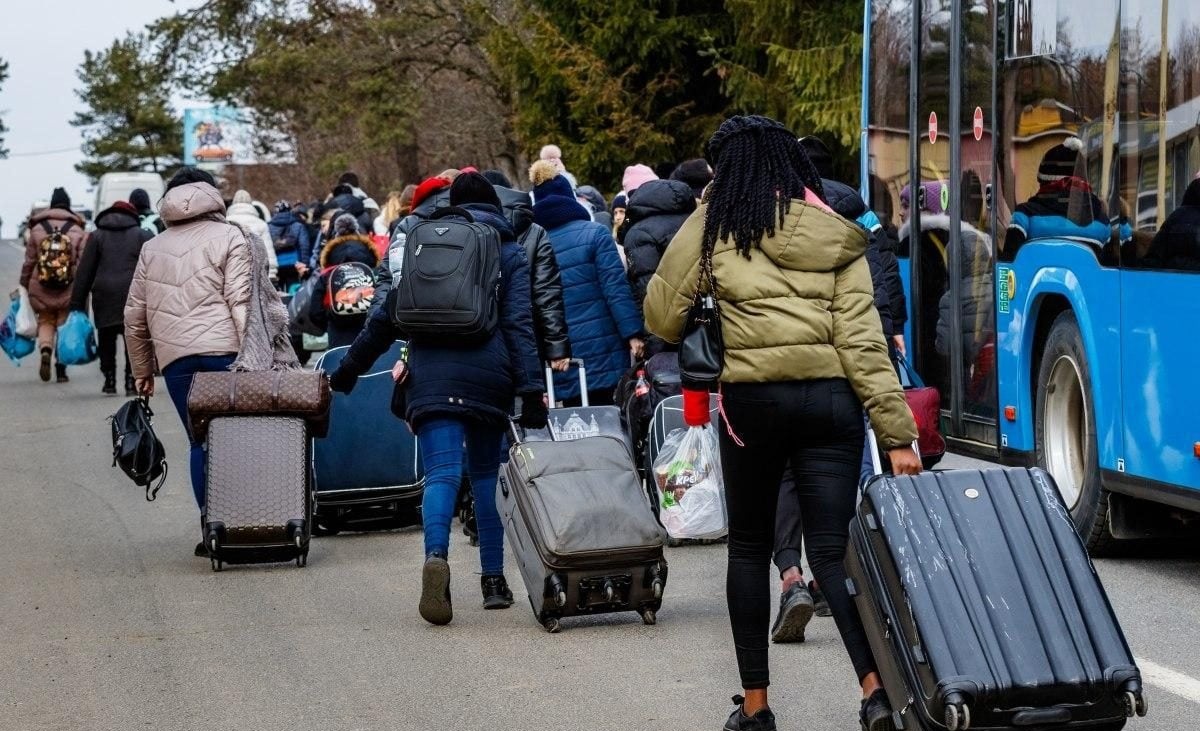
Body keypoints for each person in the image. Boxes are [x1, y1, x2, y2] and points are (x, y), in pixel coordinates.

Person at [644, 115, 921, 731]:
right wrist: (896, 433)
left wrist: (704, 215)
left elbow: (662, 317)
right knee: (832, 551)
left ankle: (757, 709)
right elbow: (863, 343)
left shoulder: (714, 230)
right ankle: (875, 693)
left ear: (725, 174)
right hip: (832, 404)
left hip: (753, 405)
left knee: (746, 549)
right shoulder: (835, 233)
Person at [326, 172, 546, 625]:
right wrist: (531, 390)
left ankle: (436, 557)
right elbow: (519, 324)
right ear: (496, 207)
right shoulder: (507, 249)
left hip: (429, 374)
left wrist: (347, 371)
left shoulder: (425, 244)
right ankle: (492, 581)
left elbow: (386, 318)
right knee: (486, 477)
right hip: (490, 376)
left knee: (442, 474)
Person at [766, 137, 913, 645]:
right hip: (845, 359)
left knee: (785, 475)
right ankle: (844, 574)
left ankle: (790, 577)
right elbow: (880, 264)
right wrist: (892, 322)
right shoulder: (853, 206)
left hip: (776, 371)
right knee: (843, 467)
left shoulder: (771, 211)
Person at [125, 168, 293, 555]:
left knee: (200, 441)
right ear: (212, 195)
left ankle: (212, 529)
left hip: (176, 361)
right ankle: (251, 523)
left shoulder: (153, 247)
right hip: (227, 355)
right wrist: (257, 359)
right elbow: (240, 301)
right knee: (242, 439)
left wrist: (142, 372)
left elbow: (134, 316)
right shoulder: (232, 236)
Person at [529, 160, 643, 405]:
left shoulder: (534, 244)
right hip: (606, 349)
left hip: (564, 356)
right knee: (611, 425)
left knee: (576, 427)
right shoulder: (596, 234)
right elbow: (615, 289)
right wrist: (633, 333)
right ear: (570, 198)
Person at [484, 169, 572, 372]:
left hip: (480, 341)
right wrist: (557, 346)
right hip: (528, 340)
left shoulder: (468, 226)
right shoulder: (534, 231)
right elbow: (547, 293)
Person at [68, 200, 154, 395]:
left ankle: (109, 380)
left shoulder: (97, 237)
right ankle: (132, 382)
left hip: (104, 294)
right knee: (133, 339)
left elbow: (85, 271)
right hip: (133, 294)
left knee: (106, 338)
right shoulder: (142, 235)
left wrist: (76, 303)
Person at [618, 178, 696, 351]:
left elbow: (646, 290)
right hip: (704, 322)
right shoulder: (696, 221)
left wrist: (653, 343)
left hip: (667, 331)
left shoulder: (639, 233)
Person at [20, 187, 87, 383]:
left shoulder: (37, 229)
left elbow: (29, 261)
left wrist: (24, 282)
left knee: (46, 320)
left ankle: (45, 348)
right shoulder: (77, 229)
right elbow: (82, 262)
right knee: (63, 323)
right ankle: (61, 368)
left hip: (41, 285)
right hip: (68, 286)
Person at [308, 214, 380, 348]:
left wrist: (330, 321)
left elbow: (315, 311)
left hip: (338, 335)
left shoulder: (329, 273)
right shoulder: (373, 269)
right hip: (371, 332)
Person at [226, 190, 278, 283]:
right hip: (256, 272)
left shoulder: (225, 222)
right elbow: (268, 249)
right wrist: (272, 273)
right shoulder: (261, 224)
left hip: (232, 271)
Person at [267, 200, 311, 290]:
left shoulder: (268, 227)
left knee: (278, 292)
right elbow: (304, 246)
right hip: (294, 264)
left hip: (276, 264)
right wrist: (305, 264)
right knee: (293, 289)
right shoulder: (298, 225)